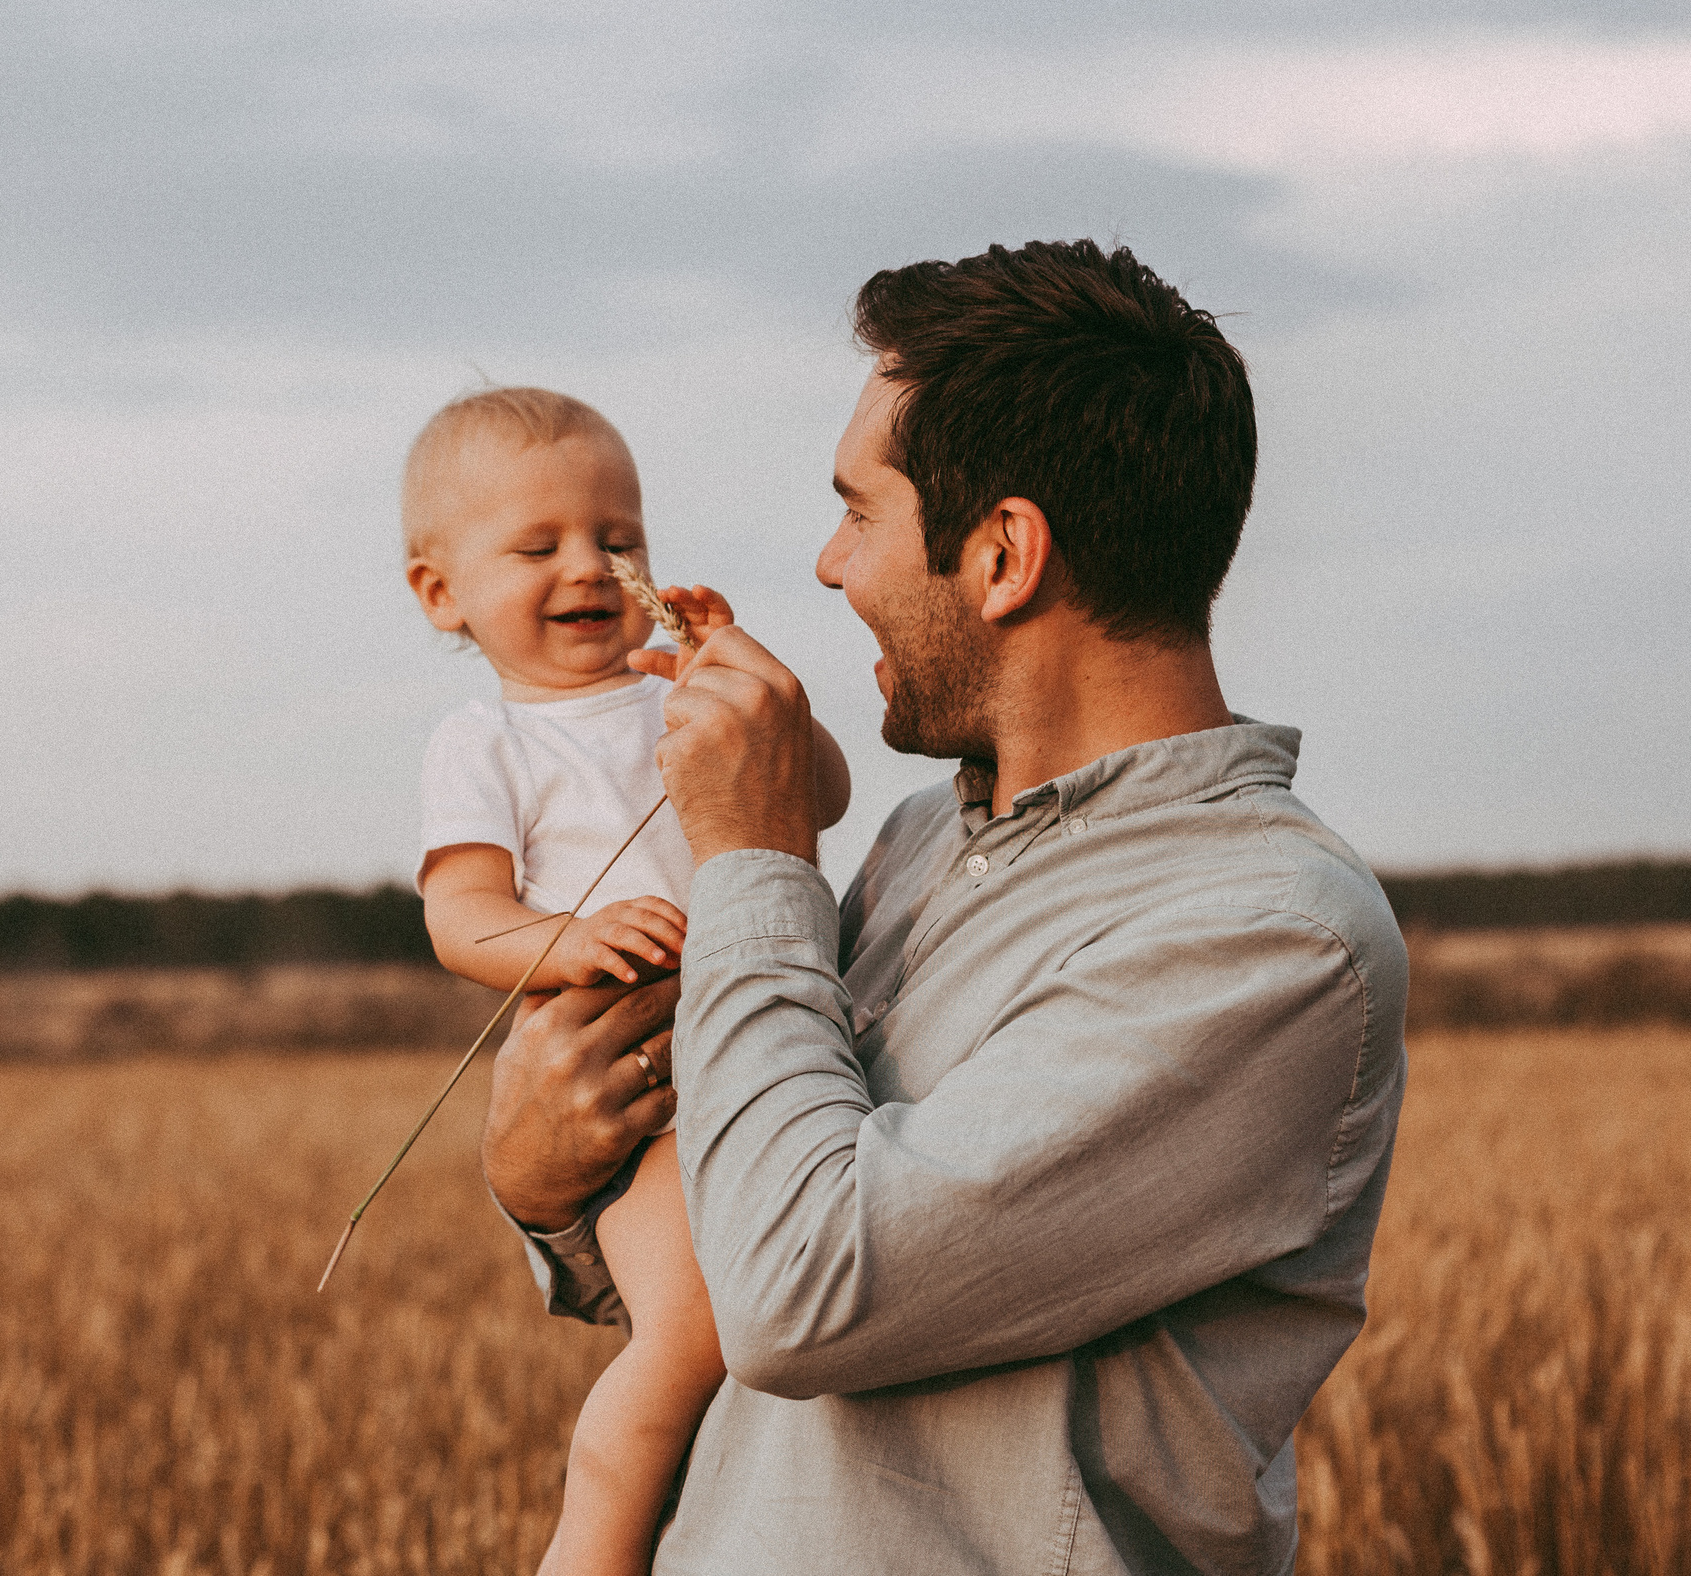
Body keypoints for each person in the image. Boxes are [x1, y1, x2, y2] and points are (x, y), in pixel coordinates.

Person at [481, 241, 1408, 1574]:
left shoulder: (1274, 935)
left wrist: (752, 851)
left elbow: (805, 1293)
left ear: (1003, 553)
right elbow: (735, 1265)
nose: (827, 563)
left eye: (860, 510)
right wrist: (553, 1190)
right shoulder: (926, 838)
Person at [400, 386, 851, 1576]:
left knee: (769, 1327)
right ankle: (593, 1548)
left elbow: (825, 795)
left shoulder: (675, 693)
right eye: (536, 546)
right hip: (641, 1092)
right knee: (695, 1333)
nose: (590, 568)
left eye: (618, 537)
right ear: (440, 593)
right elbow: (462, 920)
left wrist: (737, 676)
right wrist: (569, 941)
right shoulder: (485, 742)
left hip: (766, 1047)